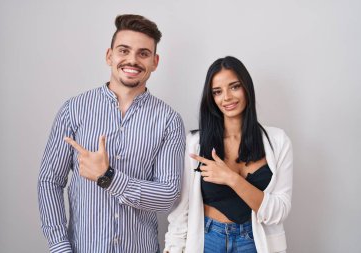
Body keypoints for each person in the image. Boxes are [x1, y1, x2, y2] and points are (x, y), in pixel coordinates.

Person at [38, 14, 185, 253]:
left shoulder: (169, 121)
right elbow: (49, 181)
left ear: (155, 62)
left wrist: (109, 178)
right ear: (109, 56)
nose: (132, 60)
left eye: (143, 53)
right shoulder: (74, 110)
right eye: (124, 51)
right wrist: (59, 246)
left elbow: (167, 194)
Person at [164, 56, 293, 253]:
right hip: (208, 240)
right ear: (212, 98)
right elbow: (182, 209)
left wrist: (231, 178)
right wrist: (173, 248)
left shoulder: (278, 141)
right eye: (217, 92)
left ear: (246, 88)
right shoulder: (196, 144)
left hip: (255, 242)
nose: (226, 97)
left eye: (234, 87)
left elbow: (279, 211)